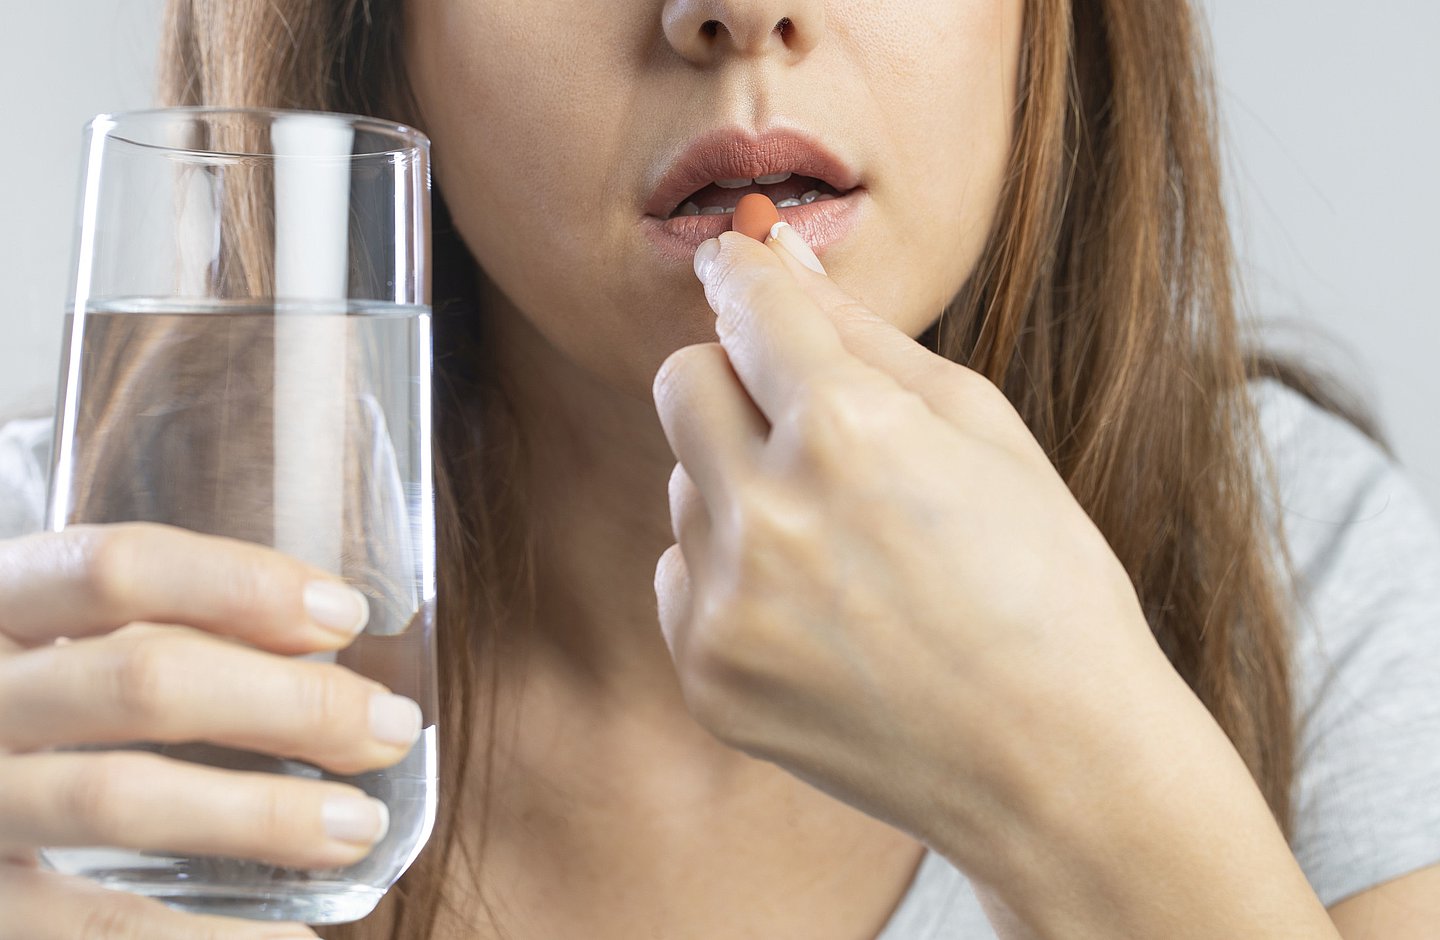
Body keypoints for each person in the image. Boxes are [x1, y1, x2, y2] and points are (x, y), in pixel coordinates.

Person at [1, 0, 1438, 937]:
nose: (743, 12)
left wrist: (1090, 798)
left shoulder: (1296, 560)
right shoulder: (48, 650)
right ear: (370, 33)